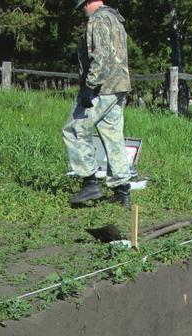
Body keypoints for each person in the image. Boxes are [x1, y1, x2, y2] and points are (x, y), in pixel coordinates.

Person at [63, 0, 132, 208]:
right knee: (112, 135)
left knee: (74, 129)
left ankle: (89, 182)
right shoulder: (115, 19)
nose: (82, 10)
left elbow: (101, 56)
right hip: (119, 85)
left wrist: (89, 85)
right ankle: (122, 191)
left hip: (102, 87)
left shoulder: (98, 19)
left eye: (82, 5)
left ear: (89, 2)